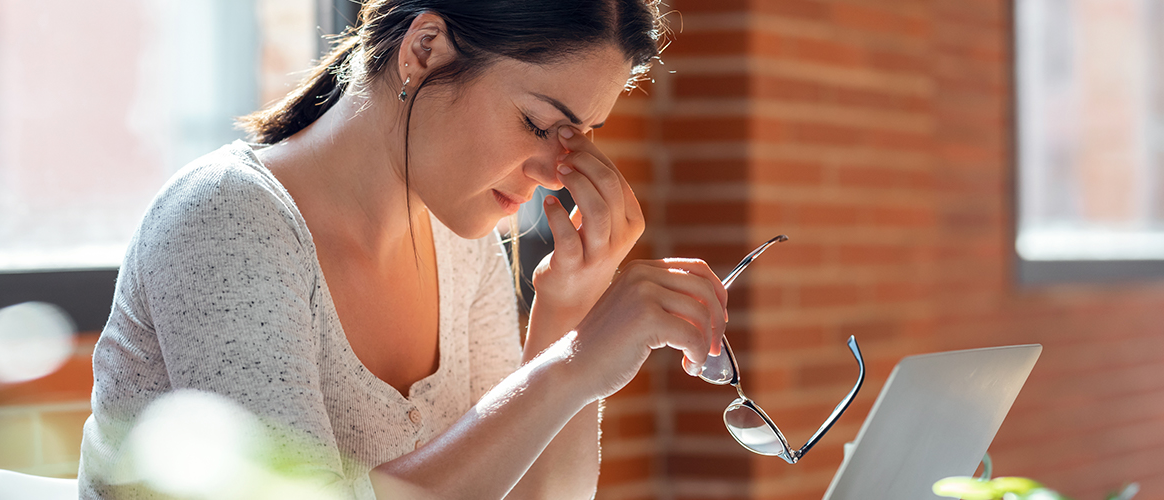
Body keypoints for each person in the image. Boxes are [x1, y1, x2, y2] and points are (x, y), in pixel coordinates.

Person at [78, 0, 728, 498]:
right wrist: (573, 366)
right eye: (540, 124)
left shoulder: (459, 238)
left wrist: (566, 313)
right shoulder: (225, 220)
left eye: (580, 136)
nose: (558, 172)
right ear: (424, 49)